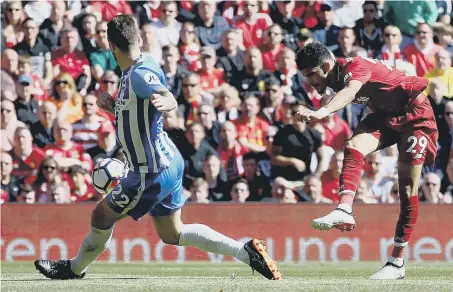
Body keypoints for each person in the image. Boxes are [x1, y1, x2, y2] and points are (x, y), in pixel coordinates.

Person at [34, 15, 280, 281]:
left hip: (148, 171)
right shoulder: (140, 65)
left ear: (112, 47)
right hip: (169, 160)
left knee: (101, 216)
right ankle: (245, 251)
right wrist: (113, 109)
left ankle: (74, 269)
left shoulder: (139, 74)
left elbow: (163, 94)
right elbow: (140, 114)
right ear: (138, 39)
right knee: (172, 234)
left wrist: (168, 101)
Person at [295, 42, 438, 280]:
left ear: (327, 66)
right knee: (352, 146)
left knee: (406, 188)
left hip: (415, 116)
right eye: (306, 76)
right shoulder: (338, 74)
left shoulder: (355, 67)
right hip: (385, 116)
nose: (310, 81)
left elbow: (350, 92)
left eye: (312, 74)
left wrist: (320, 112)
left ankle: (396, 263)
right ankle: (344, 209)